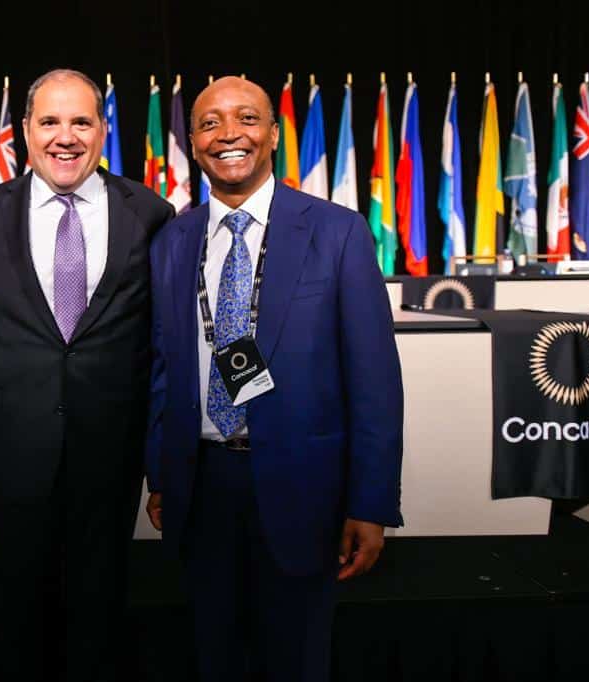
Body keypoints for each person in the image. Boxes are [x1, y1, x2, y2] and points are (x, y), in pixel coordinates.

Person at [144, 76, 404, 681]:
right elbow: (163, 368)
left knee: (296, 660)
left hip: (304, 490)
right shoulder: (172, 241)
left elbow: (375, 381)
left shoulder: (338, 232)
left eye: (245, 119)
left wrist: (371, 501)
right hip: (200, 487)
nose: (228, 134)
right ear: (193, 140)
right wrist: (161, 472)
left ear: (273, 134)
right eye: (210, 123)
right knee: (213, 657)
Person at [0, 68, 174, 681]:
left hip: (111, 456)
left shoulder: (152, 215)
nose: (65, 136)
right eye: (49, 121)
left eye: (81, 121)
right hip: (12, 456)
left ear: (103, 129)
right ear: (24, 131)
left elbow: (164, 346)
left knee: (99, 619)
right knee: (18, 621)